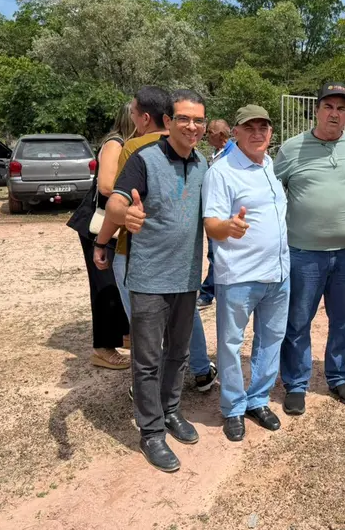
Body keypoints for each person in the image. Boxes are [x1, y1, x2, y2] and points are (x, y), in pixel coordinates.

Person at [100, 89, 208, 472]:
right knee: (146, 360)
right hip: (147, 277)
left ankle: (171, 410)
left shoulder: (202, 164)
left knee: (177, 354)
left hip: (187, 275)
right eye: (184, 119)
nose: (192, 127)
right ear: (168, 122)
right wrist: (124, 214)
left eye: (198, 120)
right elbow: (113, 199)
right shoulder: (145, 159)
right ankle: (151, 432)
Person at [275, 82, 345, 415]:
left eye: (341, 108)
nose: (335, 113)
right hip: (303, 253)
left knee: (344, 318)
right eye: (328, 106)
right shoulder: (291, 149)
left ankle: (339, 376)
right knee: (298, 320)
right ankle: (297, 383)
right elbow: (271, 193)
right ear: (316, 110)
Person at [203, 105, 290, 442]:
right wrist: (228, 226)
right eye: (249, 127)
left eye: (263, 127)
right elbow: (211, 225)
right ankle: (234, 407)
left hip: (279, 274)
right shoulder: (222, 172)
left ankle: (258, 399)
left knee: (271, 340)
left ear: (270, 133)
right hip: (239, 276)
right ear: (235, 133)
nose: (257, 133)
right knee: (230, 344)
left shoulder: (269, 165)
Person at [67, 103, 133, 369]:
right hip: (98, 224)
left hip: (113, 223)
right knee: (104, 287)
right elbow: (106, 186)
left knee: (117, 284)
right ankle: (103, 348)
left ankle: (124, 334)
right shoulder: (115, 144)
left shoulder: (127, 143)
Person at [198, 119, 236, 310]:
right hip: (213, 212)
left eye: (210, 132)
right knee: (213, 254)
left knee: (216, 254)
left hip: (224, 215)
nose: (207, 135)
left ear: (221, 135)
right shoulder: (217, 153)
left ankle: (207, 293)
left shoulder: (232, 154)